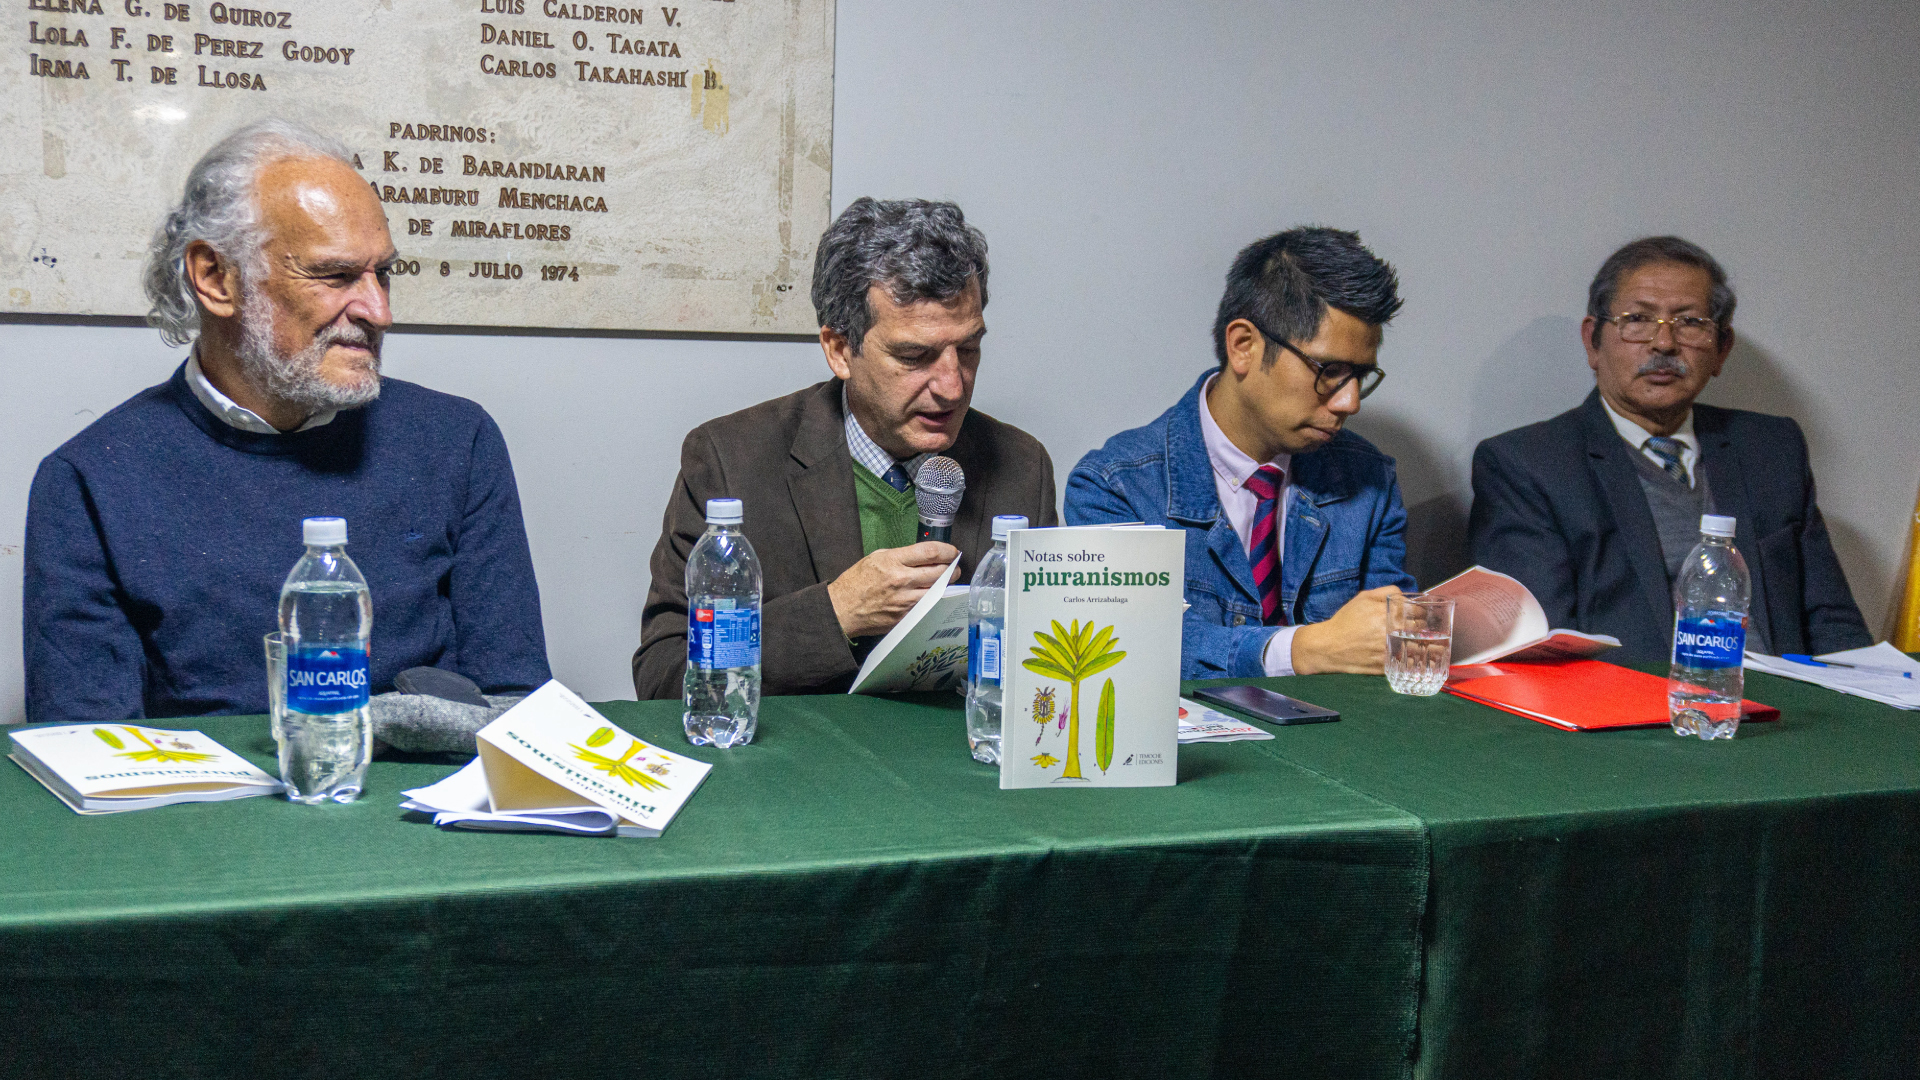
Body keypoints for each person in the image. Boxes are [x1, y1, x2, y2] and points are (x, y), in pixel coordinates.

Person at [23, 119, 552, 724]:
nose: (378, 311)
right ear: (215, 278)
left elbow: (516, 708)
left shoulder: (455, 441)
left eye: (383, 274)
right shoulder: (90, 479)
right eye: (335, 275)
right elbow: (89, 744)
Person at [633, 198, 1059, 698]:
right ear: (839, 350)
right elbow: (664, 675)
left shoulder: (1022, 466)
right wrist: (835, 612)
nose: (952, 386)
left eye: (968, 349)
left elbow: (1048, 660)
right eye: (914, 356)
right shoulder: (729, 460)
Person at [1469, 236, 1870, 662]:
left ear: (1722, 349)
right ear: (1593, 342)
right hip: (1635, 700)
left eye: (1690, 322)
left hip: (1786, 696)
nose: (1664, 344)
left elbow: (1834, 624)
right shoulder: (1528, 464)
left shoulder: (1771, 448)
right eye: (1638, 319)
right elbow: (1539, 651)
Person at [1064, 227, 1415, 679]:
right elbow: (1127, 646)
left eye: (1360, 377)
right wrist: (1302, 651)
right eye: (1330, 371)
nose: (1350, 402)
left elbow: (1388, 646)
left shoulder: (1369, 481)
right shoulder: (1115, 488)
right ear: (1244, 346)